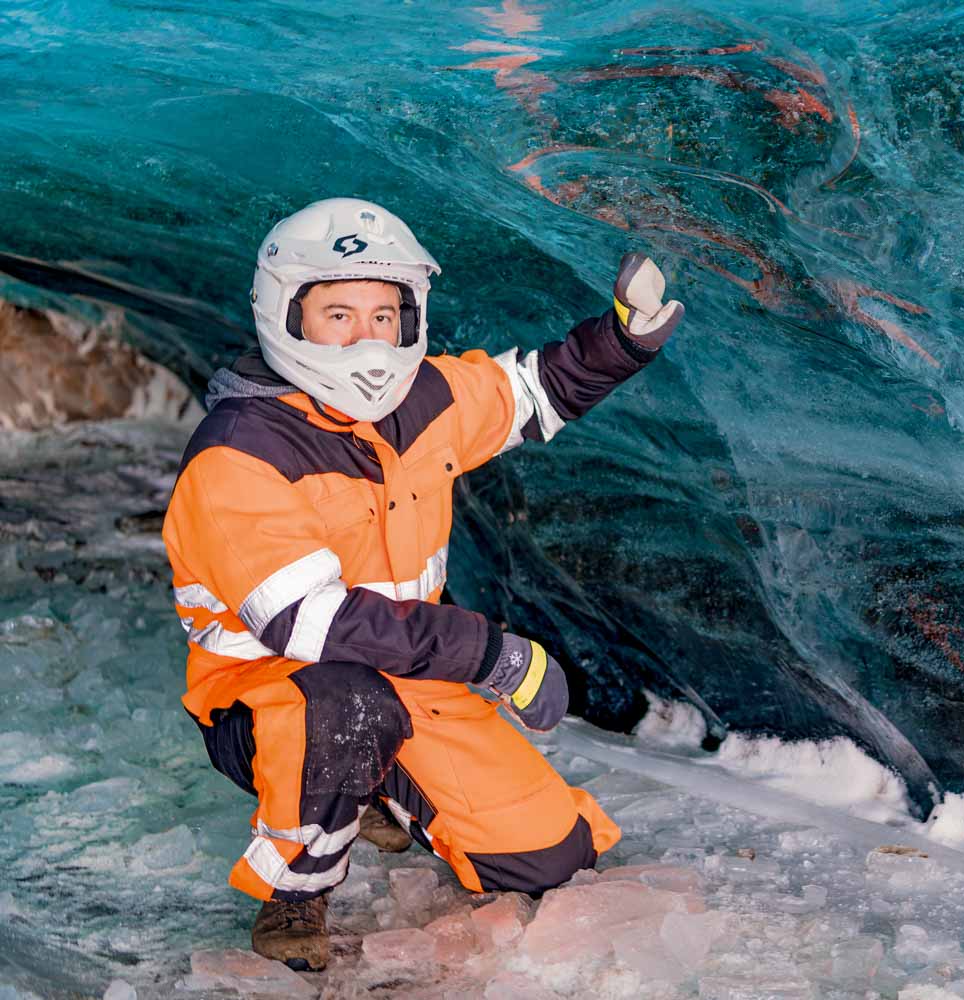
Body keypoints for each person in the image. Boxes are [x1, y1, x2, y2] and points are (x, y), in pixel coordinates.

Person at [162, 197, 683, 970]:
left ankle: (379, 783)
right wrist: (490, 654)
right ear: (286, 315)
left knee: (551, 860)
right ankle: (297, 894)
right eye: (337, 313)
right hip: (270, 691)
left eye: (384, 313)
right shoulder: (238, 456)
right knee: (344, 701)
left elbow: (532, 392)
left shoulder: (423, 398)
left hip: (411, 673)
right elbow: (314, 625)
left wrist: (623, 338)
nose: (365, 338)